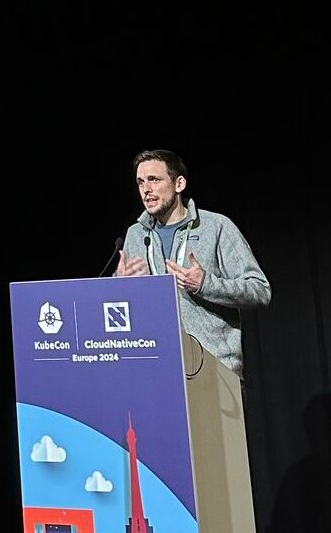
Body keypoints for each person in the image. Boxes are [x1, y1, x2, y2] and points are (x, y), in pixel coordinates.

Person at [114, 148, 270, 375]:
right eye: (140, 182)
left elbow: (260, 290)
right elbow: (120, 309)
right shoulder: (136, 235)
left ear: (179, 184)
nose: (146, 190)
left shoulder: (216, 227)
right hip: (157, 369)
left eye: (154, 180)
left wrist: (204, 284)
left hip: (215, 369)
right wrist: (119, 284)